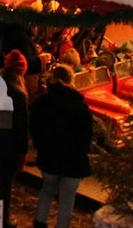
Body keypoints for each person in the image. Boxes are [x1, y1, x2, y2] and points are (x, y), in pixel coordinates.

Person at [28, 64, 92, 228]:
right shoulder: (79, 106)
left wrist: (41, 147)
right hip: (73, 160)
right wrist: (81, 151)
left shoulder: (42, 103)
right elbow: (86, 135)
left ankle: (39, 222)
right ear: (71, 80)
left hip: (49, 157)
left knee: (47, 191)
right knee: (67, 198)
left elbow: (35, 129)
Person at [0, 50, 33, 228]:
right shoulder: (20, 95)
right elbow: (22, 127)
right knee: (5, 187)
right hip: (9, 148)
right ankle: (3, 220)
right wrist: (22, 154)